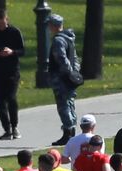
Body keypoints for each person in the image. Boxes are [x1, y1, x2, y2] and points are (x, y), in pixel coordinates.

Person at [0, 8, 24, 140]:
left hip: (12, 71)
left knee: (11, 98)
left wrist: (11, 52)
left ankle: (14, 126)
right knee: (0, 101)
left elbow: (22, 50)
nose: (0, 26)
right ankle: (7, 129)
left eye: (1, 23)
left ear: (6, 20)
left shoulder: (14, 32)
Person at [45, 14, 81, 146]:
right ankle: (71, 130)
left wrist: (67, 73)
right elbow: (75, 58)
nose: (48, 27)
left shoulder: (58, 40)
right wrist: (75, 73)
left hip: (61, 79)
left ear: (53, 26)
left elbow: (61, 58)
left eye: (49, 25)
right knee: (70, 103)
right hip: (69, 78)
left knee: (63, 105)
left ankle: (68, 133)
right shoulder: (69, 38)